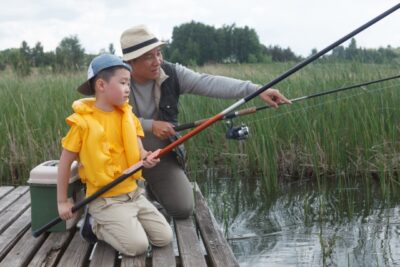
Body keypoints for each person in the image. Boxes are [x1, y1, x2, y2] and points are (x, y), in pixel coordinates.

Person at [120, 25, 291, 220]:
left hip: (160, 152)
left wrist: (257, 90)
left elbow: (208, 82)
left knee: (183, 208)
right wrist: (150, 125)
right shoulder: (114, 78)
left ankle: (151, 191)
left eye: (158, 54)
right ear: (130, 62)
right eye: (148, 57)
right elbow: (107, 120)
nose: (157, 61)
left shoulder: (171, 73)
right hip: (120, 153)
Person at [57, 53, 172, 256]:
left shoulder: (129, 116)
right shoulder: (82, 123)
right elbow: (64, 163)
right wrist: (62, 201)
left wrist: (147, 158)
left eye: (129, 83)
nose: (128, 88)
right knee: (138, 247)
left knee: (165, 237)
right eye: (123, 83)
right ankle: (94, 225)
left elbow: (140, 152)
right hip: (104, 200)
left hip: (134, 194)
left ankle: (125, 223)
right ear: (101, 85)